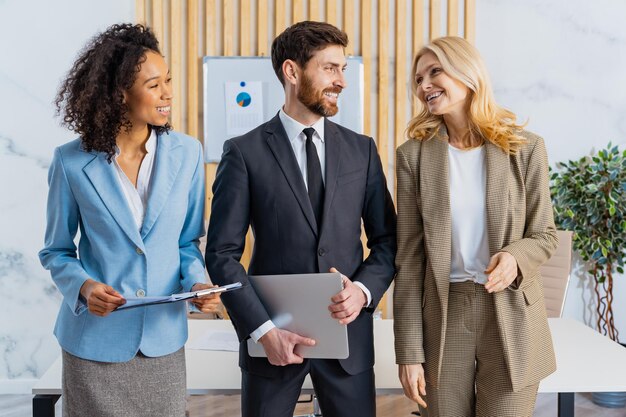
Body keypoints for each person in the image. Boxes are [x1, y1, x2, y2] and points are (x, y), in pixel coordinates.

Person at [205, 20, 396, 417]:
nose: (341, 81)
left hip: (348, 341)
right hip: (272, 340)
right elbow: (222, 254)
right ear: (292, 72)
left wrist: (362, 292)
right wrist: (262, 331)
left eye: (343, 69)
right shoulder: (244, 152)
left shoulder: (361, 151)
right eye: (330, 68)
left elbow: (387, 241)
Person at [39, 23, 220, 417]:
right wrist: (85, 287)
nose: (168, 93)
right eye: (154, 85)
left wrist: (197, 283)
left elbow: (187, 242)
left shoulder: (188, 153)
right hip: (94, 345)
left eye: (168, 81)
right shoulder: (71, 162)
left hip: (162, 342)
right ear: (119, 93)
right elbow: (55, 251)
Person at [393, 36, 558, 417]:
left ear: (468, 74)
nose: (424, 86)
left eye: (435, 72)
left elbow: (545, 235)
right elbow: (410, 261)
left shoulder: (525, 148)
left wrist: (515, 258)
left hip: (511, 313)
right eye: (418, 79)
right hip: (444, 316)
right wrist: (409, 352)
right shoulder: (412, 157)